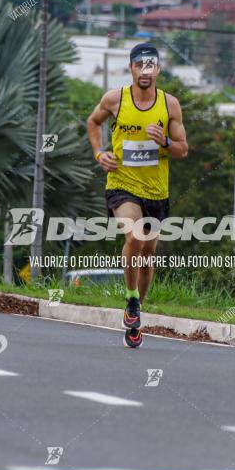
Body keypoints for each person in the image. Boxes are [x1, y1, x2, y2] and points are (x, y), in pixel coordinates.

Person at [86, 42, 189, 348]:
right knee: (135, 239)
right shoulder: (115, 99)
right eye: (139, 66)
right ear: (131, 68)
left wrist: (166, 141)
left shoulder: (170, 105)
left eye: (151, 66)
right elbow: (93, 122)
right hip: (122, 184)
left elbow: (183, 149)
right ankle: (131, 300)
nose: (145, 72)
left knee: (148, 255)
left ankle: (137, 312)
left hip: (156, 191)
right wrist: (98, 153)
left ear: (158, 70)